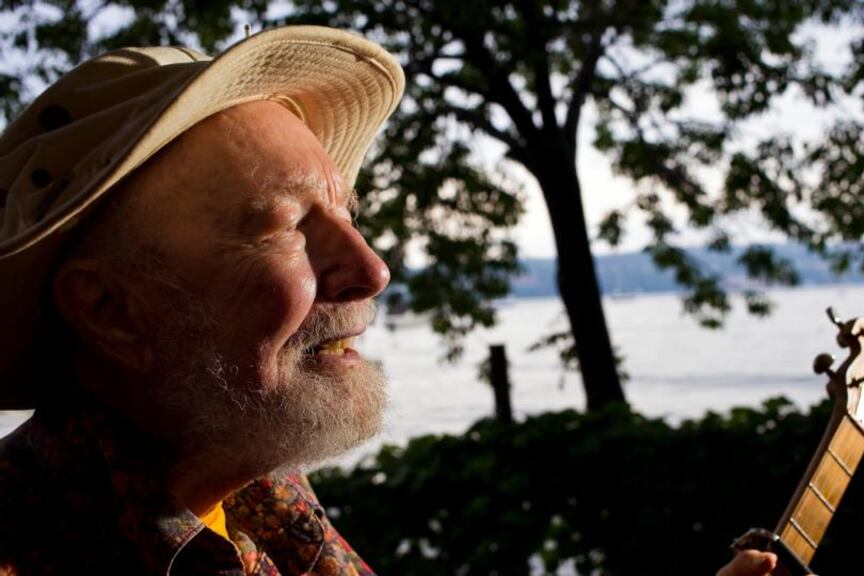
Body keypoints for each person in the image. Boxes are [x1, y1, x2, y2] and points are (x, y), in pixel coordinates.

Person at [0, 25, 775, 575]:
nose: (372, 271)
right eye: (286, 226)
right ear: (111, 312)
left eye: (349, 216)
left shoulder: (264, 504)